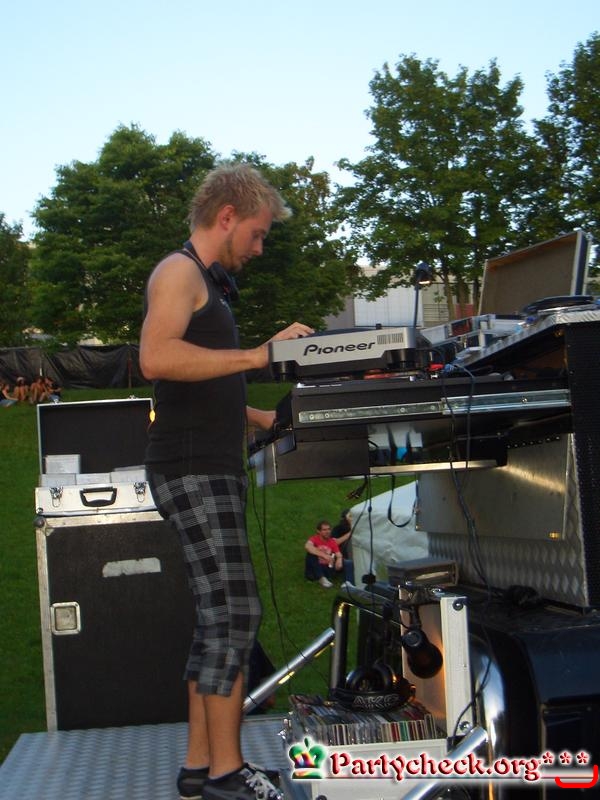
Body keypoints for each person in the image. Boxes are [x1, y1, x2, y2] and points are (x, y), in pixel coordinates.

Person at [139, 162, 313, 800]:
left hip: (205, 466)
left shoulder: (204, 285)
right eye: (258, 234)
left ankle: (198, 767)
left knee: (219, 616)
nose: (259, 248)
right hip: (192, 471)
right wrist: (260, 354)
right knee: (236, 613)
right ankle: (227, 776)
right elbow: (157, 356)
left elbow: (200, 384)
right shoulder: (179, 272)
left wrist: (262, 418)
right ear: (228, 216)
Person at [304, 520, 354, 588]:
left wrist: (339, 559)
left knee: (348, 563)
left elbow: (338, 554)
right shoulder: (314, 539)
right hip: (315, 569)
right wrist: (324, 555)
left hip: (328, 567)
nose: (327, 531)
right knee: (311, 554)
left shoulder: (332, 541)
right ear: (318, 531)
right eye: (324, 530)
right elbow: (307, 546)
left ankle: (348, 583)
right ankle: (321, 578)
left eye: (329, 529)